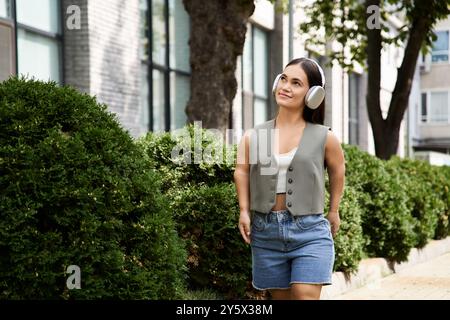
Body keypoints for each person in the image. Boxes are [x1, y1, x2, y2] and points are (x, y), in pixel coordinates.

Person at [233, 57, 345, 300]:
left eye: (296, 83)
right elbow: (241, 170)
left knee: (304, 296)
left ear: (313, 94)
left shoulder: (325, 137)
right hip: (265, 231)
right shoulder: (255, 135)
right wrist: (244, 210)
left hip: (310, 231)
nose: (286, 87)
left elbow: (338, 170)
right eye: (284, 79)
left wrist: (334, 210)